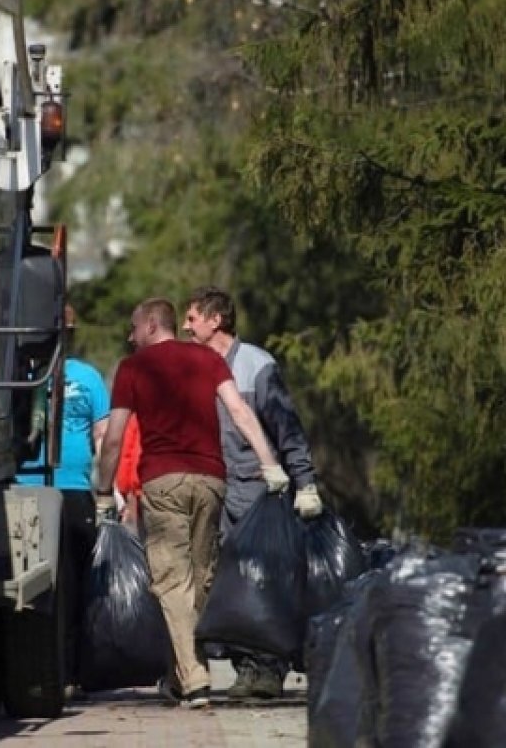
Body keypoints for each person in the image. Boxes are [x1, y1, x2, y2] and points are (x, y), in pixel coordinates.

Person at [96, 298, 288, 709]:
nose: (130, 337)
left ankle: (196, 679)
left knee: (170, 580)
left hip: (163, 481)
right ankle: (181, 673)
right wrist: (269, 462)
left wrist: (101, 489)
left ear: (150, 325)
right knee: (201, 578)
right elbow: (239, 410)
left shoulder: (134, 368)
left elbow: (113, 438)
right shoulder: (206, 359)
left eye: (133, 328)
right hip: (212, 480)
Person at [182, 285, 322, 699]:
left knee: (263, 580)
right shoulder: (196, 367)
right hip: (215, 487)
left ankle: (269, 670)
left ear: (215, 320)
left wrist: (305, 482)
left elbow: (285, 426)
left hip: (258, 490)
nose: (186, 326)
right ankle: (246, 669)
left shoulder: (256, 366)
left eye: (192, 318)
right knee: (230, 583)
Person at [16, 305, 110, 698]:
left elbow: (103, 435)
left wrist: (106, 489)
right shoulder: (19, 377)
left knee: (73, 584)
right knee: (31, 586)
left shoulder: (88, 377)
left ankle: (70, 672)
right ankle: (29, 670)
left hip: (74, 489)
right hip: (25, 486)